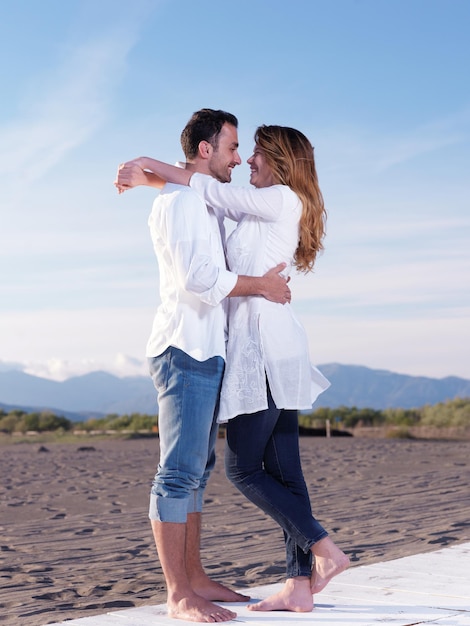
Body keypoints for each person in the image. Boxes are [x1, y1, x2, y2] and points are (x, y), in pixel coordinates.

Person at [116, 123, 350, 614]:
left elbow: (204, 189)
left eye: (255, 152)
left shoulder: (279, 198)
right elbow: (203, 194)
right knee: (282, 469)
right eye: (238, 148)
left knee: (243, 468)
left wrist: (149, 166)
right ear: (208, 149)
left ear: (281, 162)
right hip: (249, 345)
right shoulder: (243, 207)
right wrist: (156, 179)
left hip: (262, 347)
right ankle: (297, 583)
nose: (246, 160)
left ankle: (322, 550)